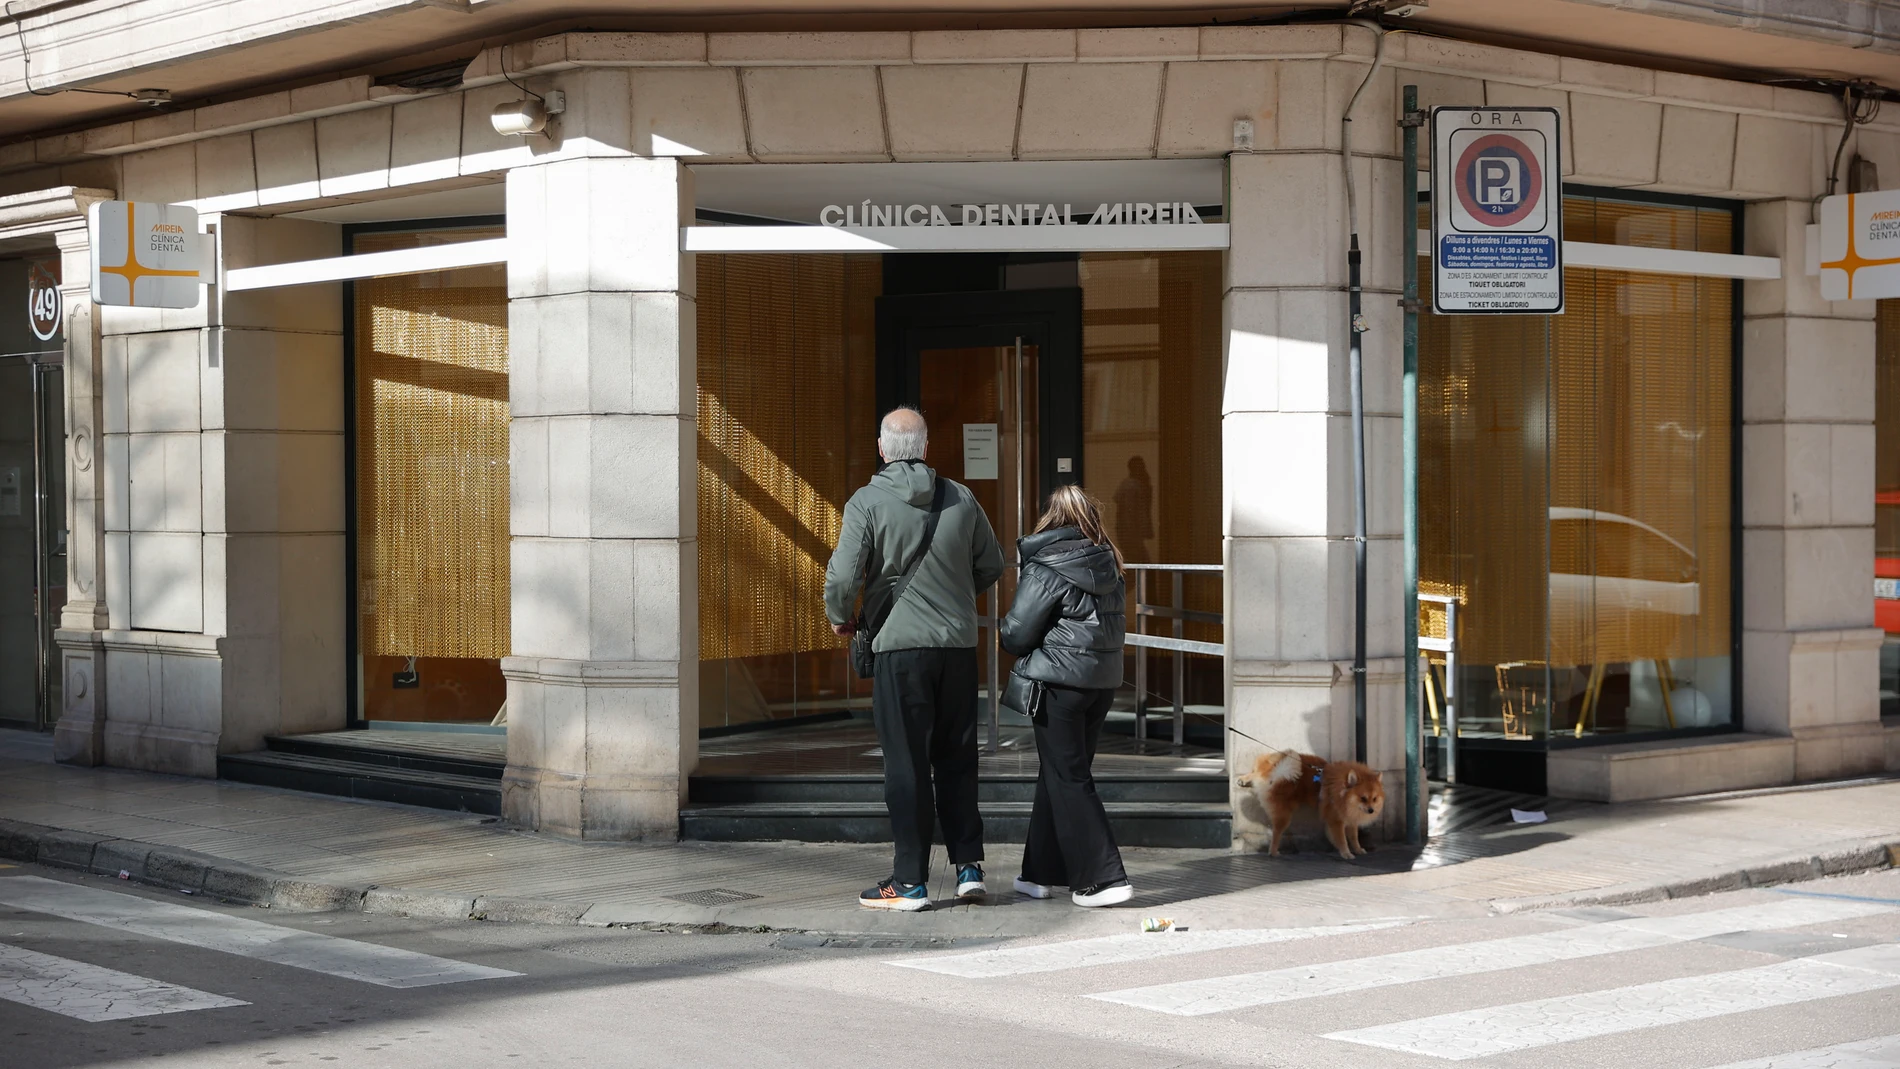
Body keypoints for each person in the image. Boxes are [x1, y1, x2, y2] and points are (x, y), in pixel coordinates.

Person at [825, 406, 1005, 911]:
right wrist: (952, 596)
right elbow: (991, 564)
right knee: (957, 758)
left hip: (900, 651)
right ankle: (969, 868)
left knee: (906, 764)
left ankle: (909, 881)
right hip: (957, 649)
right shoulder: (961, 497)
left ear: (882, 450)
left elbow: (843, 578)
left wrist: (840, 616)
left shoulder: (866, 501)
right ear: (925, 450)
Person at [999, 484, 1134, 907]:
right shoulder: (1110, 562)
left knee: (1069, 778)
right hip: (1100, 687)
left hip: (1058, 688)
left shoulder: (1045, 565)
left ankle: (1103, 878)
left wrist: (1005, 630)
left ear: (1049, 520)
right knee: (1058, 775)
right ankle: (1038, 874)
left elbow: (1017, 634)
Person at [1113, 455, 1154, 562]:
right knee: (1138, 561)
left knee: (1136, 560)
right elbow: (1129, 511)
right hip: (1130, 531)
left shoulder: (1133, 485)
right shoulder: (1131, 486)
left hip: (1130, 531)